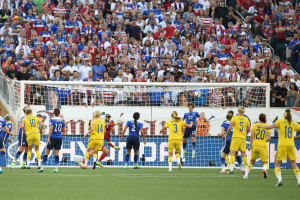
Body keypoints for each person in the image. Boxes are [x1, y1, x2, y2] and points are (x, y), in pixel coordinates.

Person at [257, 109, 300, 186]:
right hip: (291, 145)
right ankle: (299, 181)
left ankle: (280, 180)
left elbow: (271, 127)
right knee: (294, 164)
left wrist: (261, 126)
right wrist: (295, 137)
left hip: (282, 145)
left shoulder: (280, 121)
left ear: (284, 115)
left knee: (277, 164)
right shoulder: (294, 123)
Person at [223, 106, 250, 174]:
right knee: (243, 154)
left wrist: (226, 135)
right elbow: (248, 130)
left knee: (232, 153)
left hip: (235, 138)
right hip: (243, 138)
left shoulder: (234, 118)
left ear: (238, 111)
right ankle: (245, 169)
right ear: (243, 111)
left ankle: (231, 169)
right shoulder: (246, 119)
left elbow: (230, 128)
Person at [243, 113, 271, 179]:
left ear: (259, 118)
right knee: (265, 162)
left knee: (252, 161)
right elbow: (269, 138)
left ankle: (246, 175)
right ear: (265, 119)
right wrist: (264, 141)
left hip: (255, 146)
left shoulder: (255, 125)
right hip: (263, 146)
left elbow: (252, 136)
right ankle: (264, 169)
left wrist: (250, 145)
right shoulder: (267, 127)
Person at [39, 108, 66, 173]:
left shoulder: (52, 119)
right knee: (56, 153)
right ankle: (56, 168)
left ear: (54, 113)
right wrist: (59, 130)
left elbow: (51, 127)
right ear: (59, 113)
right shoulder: (62, 120)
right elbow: (64, 130)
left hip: (53, 137)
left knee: (47, 152)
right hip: (59, 138)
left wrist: (48, 137)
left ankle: (42, 167)